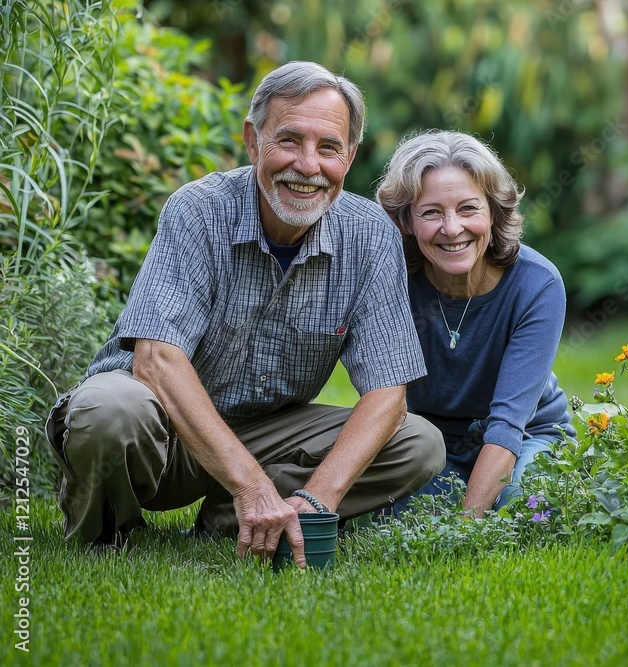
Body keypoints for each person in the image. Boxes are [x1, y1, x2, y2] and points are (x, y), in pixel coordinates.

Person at [44, 61, 445, 567]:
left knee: (418, 442)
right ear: (253, 142)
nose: (307, 165)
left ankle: (240, 522)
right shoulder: (198, 209)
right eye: (288, 140)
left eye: (328, 148)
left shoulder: (370, 235)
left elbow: (388, 393)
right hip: (158, 428)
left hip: (265, 432)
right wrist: (250, 483)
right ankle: (105, 538)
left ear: (350, 155)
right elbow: (157, 362)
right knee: (109, 410)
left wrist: (318, 497)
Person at [376, 130, 575, 515]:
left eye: (468, 208)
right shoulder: (391, 279)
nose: (452, 229)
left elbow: (507, 425)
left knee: (526, 508)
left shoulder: (537, 284)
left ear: (494, 211)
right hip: (427, 442)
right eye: (431, 212)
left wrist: (466, 529)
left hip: (528, 434)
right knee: (403, 516)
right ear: (406, 221)